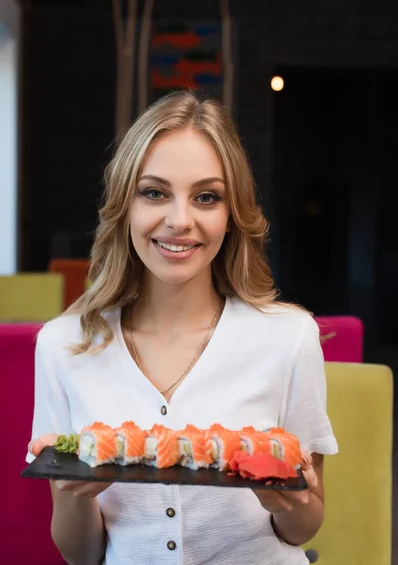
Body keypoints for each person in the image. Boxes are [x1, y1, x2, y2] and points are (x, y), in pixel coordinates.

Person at [27, 89, 338, 565]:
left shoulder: (290, 338)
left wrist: (287, 502)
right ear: (125, 205)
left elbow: (302, 528)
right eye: (154, 192)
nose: (179, 220)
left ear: (231, 216)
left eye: (206, 197)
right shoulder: (63, 346)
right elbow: (81, 556)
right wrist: (75, 492)